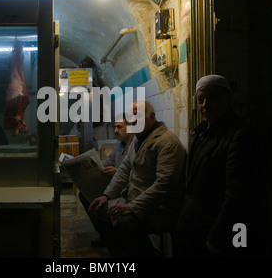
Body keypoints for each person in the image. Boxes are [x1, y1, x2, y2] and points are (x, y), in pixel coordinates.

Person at [174, 74, 260, 258]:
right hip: (192, 227)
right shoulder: (202, 133)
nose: (205, 104)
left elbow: (237, 194)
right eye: (201, 99)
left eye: (213, 97)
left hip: (211, 232)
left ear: (228, 99)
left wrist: (218, 236)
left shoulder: (238, 136)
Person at [88, 100, 187, 257]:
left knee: (124, 224)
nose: (132, 120)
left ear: (152, 117)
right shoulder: (137, 139)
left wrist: (132, 208)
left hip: (161, 208)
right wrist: (107, 195)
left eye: (137, 115)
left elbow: (164, 185)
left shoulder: (166, 142)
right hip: (135, 199)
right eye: (130, 117)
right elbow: (124, 169)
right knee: (98, 210)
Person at [79, 117, 134, 248]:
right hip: (115, 186)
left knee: (100, 208)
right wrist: (89, 167)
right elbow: (106, 163)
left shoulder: (135, 146)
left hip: (128, 190)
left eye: (119, 127)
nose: (115, 130)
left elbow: (136, 174)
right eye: (115, 127)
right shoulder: (120, 144)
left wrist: (117, 172)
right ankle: (105, 234)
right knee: (85, 195)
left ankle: (113, 239)